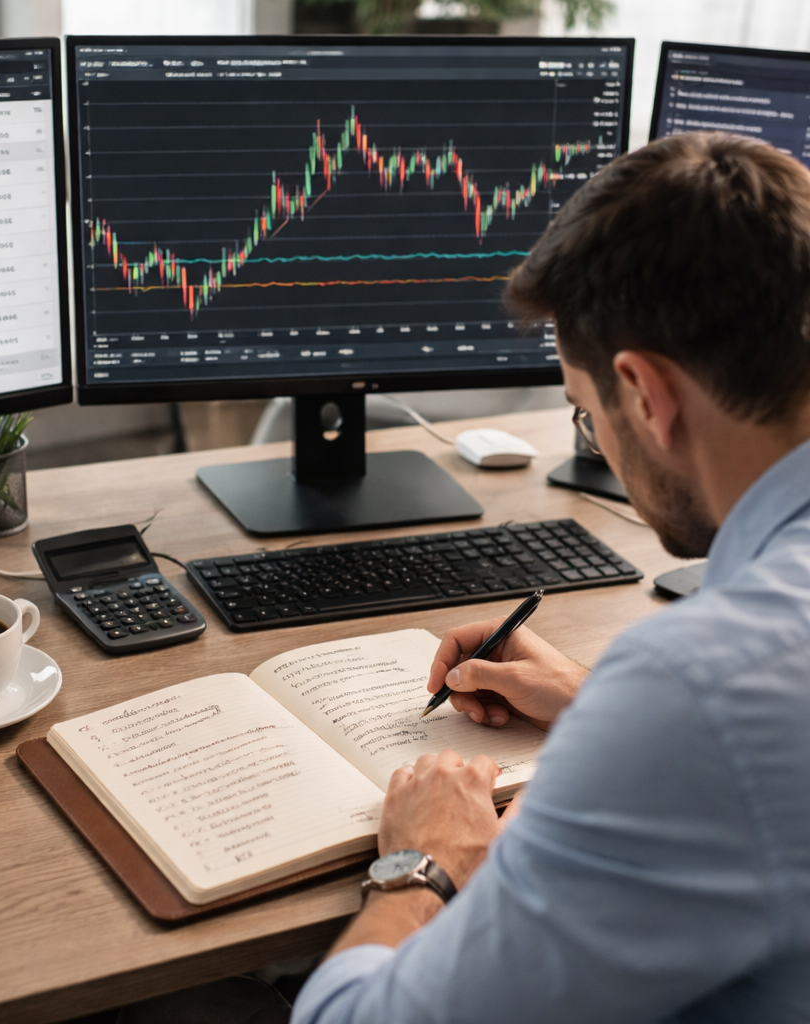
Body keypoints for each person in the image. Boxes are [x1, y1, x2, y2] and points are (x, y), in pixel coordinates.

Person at [291, 132, 810, 1024]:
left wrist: (425, 865)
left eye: (582, 405)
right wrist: (601, 696)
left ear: (645, 394)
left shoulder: (698, 689)